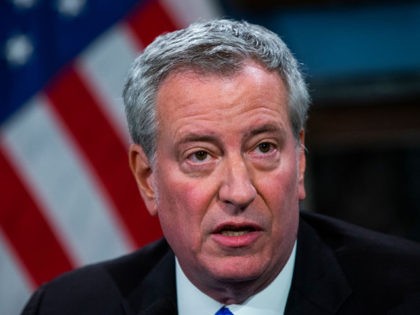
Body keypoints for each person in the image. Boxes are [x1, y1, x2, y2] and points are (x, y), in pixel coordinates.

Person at [21, 19, 420, 315]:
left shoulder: (407, 290)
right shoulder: (67, 308)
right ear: (147, 178)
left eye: (263, 147)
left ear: (298, 162)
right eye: (200, 155)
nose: (239, 191)